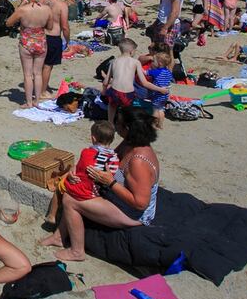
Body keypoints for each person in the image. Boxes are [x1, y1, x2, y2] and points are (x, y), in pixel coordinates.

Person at [41, 106, 161, 261]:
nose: (116, 127)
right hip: (122, 199)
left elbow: (140, 203)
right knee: (73, 189)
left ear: (128, 128)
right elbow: (102, 158)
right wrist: (76, 171)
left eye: (118, 123)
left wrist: (110, 182)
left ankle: (77, 251)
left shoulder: (138, 161)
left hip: (135, 214)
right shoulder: (129, 143)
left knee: (70, 201)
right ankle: (58, 236)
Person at [43, 122, 119, 230]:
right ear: (112, 140)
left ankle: (52, 215)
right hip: (99, 192)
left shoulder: (86, 152)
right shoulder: (115, 159)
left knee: (60, 185)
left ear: (93, 138)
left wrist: (70, 175)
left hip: (82, 191)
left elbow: (79, 170)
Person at [6, 0, 54, 108]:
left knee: (27, 74)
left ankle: (28, 102)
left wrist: (21, 5)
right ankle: (36, 101)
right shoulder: (47, 9)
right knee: (37, 73)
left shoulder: (23, 10)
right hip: (41, 41)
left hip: (26, 42)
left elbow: (8, 23)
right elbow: (50, 27)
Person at [104, 39, 169, 124]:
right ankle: (126, 123)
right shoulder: (136, 62)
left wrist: (104, 91)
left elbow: (105, 82)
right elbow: (145, 83)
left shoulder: (114, 61)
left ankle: (110, 122)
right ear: (131, 52)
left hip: (114, 91)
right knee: (129, 108)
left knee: (112, 105)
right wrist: (160, 89)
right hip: (127, 94)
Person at [40, 0, 70, 100]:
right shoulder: (62, 5)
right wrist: (67, 40)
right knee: (48, 65)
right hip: (53, 36)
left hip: (39, 36)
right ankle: (42, 91)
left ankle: (40, 87)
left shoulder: (40, 2)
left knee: (39, 64)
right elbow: (65, 26)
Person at [138, 52, 174, 128]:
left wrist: (138, 65)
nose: (152, 62)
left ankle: (153, 124)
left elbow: (144, 73)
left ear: (160, 63)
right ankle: (160, 124)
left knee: (155, 110)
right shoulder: (168, 72)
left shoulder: (156, 72)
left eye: (154, 61)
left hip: (157, 94)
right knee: (161, 109)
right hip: (165, 95)